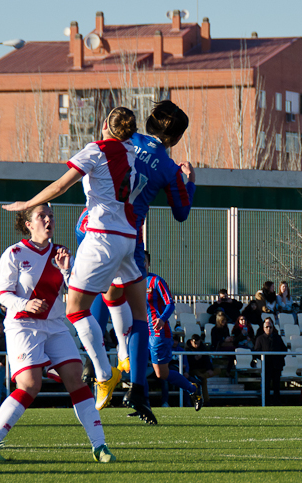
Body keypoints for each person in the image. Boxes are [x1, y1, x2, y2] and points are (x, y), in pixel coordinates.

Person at [3, 107, 155, 422]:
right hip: (130, 237)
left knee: (75, 308)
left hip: (103, 235)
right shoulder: (135, 153)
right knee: (125, 305)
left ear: (104, 127)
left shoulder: (97, 150)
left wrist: (27, 204)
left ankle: (104, 373)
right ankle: (131, 370)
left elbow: (61, 186)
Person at [73, 101, 196, 423]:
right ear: (176, 137)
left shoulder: (127, 140)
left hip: (90, 226)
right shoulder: (168, 167)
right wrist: (190, 181)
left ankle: (94, 365)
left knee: (100, 296)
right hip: (128, 237)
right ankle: (136, 388)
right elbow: (182, 213)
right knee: (137, 313)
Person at [0, 203, 115, 464]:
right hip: (22, 325)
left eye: (51, 216)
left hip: (54, 325)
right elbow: (3, 294)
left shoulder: (61, 253)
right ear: (28, 224)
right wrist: (25, 304)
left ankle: (100, 446)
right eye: (42, 216)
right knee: (30, 384)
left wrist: (65, 269)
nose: (49, 220)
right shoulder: (14, 253)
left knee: (77, 378)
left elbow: (76, 292)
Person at [144, 251, 202, 410]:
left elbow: (170, 303)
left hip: (158, 333)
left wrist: (162, 319)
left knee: (161, 374)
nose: (140, 264)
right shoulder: (131, 283)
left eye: (144, 261)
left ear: (149, 264)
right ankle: (142, 406)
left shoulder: (156, 281)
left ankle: (193, 388)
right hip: (142, 332)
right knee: (137, 367)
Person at [253, 317, 288, 405]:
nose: (269, 329)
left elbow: (284, 350)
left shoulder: (278, 337)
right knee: (266, 385)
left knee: (276, 385)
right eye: (267, 327)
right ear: (263, 328)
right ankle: (266, 402)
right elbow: (256, 351)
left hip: (277, 365)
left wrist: (278, 358)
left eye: (270, 327)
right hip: (266, 366)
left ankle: (277, 402)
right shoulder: (260, 339)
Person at [186, 334, 214, 404]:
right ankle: (204, 401)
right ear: (191, 342)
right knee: (202, 380)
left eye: (198, 343)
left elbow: (206, 360)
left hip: (202, 370)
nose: (197, 345)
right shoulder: (187, 349)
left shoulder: (202, 348)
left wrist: (209, 369)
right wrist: (194, 359)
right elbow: (187, 363)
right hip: (193, 370)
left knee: (217, 370)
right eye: (195, 343)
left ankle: (201, 377)